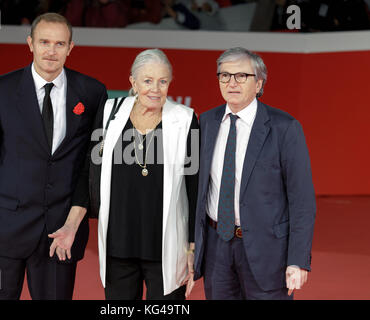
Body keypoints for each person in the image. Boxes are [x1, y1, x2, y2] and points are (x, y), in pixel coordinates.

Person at [0, 12, 107, 300]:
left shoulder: (91, 92)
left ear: (70, 48)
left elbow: (92, 165)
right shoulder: (1, 90)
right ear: (30, 44)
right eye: (44, 42)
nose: (51, 51)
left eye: (59, 44)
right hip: (4, 232)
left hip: (59, 236)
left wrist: (75, 221)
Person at [51, 48, 199, 299]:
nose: (155, 89)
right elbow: (89, 172)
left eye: (162, 81)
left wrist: (193, 248)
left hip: (166, 247)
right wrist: (71, 224)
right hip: (117, 245)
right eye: (147, 81)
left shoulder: (185, 120)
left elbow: (194, 187)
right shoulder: (109, 113)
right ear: (133, 81)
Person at [192, 47, 316, 300]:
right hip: (217, 248)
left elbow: (302, 201)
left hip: (268, 251)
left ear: (259, 83)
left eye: (241, 76)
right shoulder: (205, 123)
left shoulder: (284, 128)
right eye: (224, 75)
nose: (231, 83)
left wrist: (298, 260)